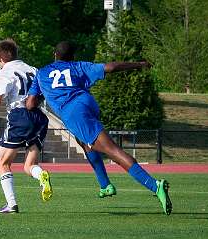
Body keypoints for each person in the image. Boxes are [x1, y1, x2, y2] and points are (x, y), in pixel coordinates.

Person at [26, 41, 172, 215]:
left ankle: (155, 186)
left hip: (73, 112)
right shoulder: (79, 66)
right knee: (84, 141)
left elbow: (30, 103)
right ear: (72, 57)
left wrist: (46, 94)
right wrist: (139, 64)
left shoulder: (41, 73)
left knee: (112, 150)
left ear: (54, 54)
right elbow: (110, 67)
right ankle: (105, 185)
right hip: (87, 103)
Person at [0, 39, 53, 214]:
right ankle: (40, 174)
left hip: (19, 116)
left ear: (0, 58)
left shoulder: (3, 73)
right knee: (29, 165)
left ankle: (11, 204)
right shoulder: (33, 69)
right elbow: (44, 92)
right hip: (39, 117)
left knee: (3, 162)